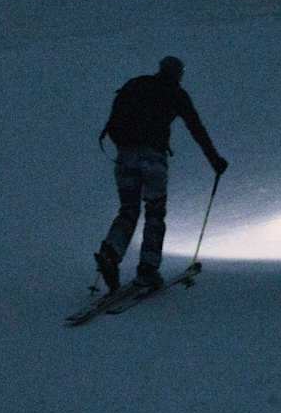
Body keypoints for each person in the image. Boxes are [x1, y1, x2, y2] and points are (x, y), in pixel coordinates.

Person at [95, 55, 227, 292]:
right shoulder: (176, 94)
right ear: (178, 74)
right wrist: (215, 160)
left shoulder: (136, 84)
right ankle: (148, 270)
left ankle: (110, 252)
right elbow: (196, 128)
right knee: (155, 212)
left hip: (124, 156)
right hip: (153, 159)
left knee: (128, 210)